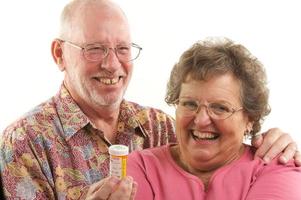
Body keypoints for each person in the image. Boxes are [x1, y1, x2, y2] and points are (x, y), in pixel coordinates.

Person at [0, 0, 299, 199]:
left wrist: (277, 144)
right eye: (94, 49)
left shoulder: (157, 125)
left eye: (122, 49)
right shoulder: (25, 141)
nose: (111, 64)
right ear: (59, 54)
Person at [127, 38, 301, 200]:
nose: (201, 120)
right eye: (189, 104)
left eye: (220, 108)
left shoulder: (277, 166)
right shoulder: (141, 167)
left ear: (250, 119)